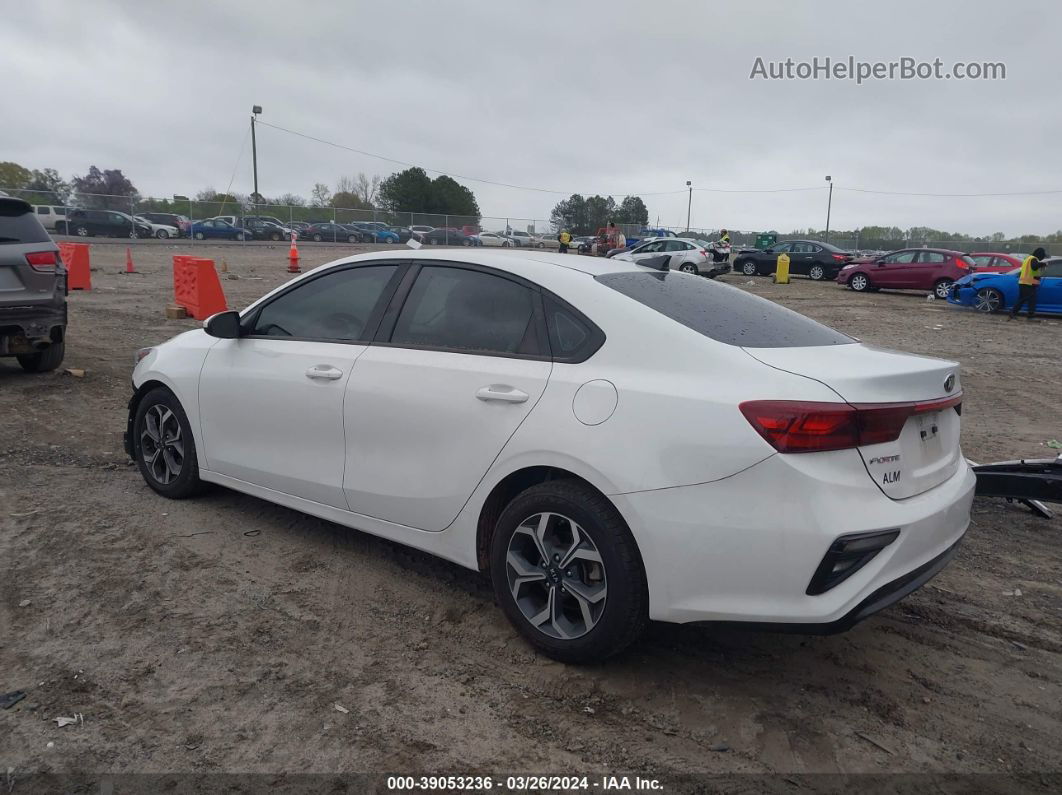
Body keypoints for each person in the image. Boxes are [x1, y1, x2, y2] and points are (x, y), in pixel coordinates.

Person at [1009, 247, 1048, 320]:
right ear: (1040, 254)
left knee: (1022, 299)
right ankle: (1030, 315)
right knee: (1031, 299)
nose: (1042, 258)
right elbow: (1034, 267)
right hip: (1027, 283)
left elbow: (1032, 270)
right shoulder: (1033, 259)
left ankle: (1013, 313)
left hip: (1025, 282)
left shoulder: (1028, 258)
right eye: (1043, 256)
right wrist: (1042, 264)